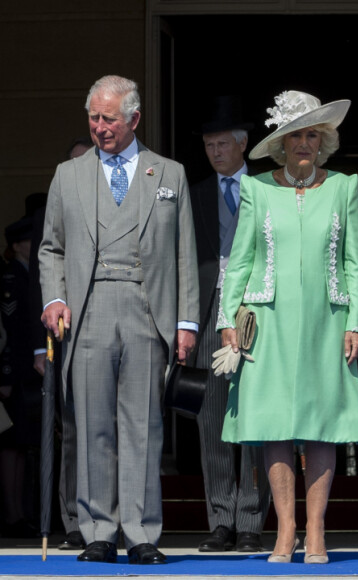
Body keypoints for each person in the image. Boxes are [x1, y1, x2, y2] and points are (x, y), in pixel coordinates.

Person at [39, 75, 199, 564]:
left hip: (147, 311)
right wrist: (53, 300)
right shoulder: (69, 175)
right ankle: (98, 531)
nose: (99, 128)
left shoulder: (168, 174)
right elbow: (52, 248)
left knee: (143, 426)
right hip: (87, 311)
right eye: (93, 117)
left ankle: (143, 532)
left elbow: (184, 253)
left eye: (109, 118)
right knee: (91, 425)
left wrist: (186, 322)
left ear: (134, 118)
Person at [217, 90, 358, 564]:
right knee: (276, 426)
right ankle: (284, 530)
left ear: (323, 141)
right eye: (293, 136)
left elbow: (355, 264)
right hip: (268, 321)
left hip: (328, 320)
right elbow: (238, 262)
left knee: (322, 425)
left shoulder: (344, 187)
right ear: (280, 144)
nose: (303, 143)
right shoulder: (258, 188)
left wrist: (357, 322)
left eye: (311, 135)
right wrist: (227, 321)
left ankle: (317, 530)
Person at [190, 97, 270, 552]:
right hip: (205, 315)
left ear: (243, 145)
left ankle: (251, 522)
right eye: (208, 145)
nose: (215, 152)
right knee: (212, 419)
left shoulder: (265, 191)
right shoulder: (194, 191)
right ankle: (221, 518)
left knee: (254, 419)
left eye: (222, 143)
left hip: (254, 313)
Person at [29, 142, 92, 551]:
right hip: (63, 334)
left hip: (104, 324)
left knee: (109, 432)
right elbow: (44, 269)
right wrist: (40, 346)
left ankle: (108, 518)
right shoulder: (55, 203)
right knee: (70, 431)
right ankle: (72, 519)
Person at [0, 217, 42, 538]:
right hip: (13, 377)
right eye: (29, 240)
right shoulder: (10, 278)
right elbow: (10, 333)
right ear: (16, 246)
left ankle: (25, 512)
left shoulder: (33, 276)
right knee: (12, 447)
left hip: (30, 375)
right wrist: (6, 375)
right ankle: (13, 514)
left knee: (25, 446)